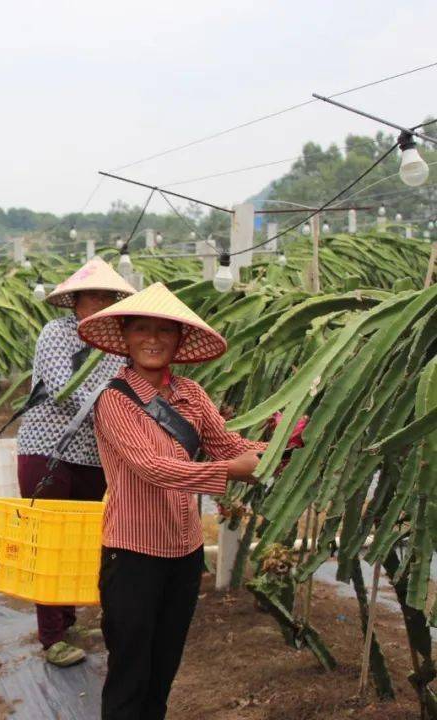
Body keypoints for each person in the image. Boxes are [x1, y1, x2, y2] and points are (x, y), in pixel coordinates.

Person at [77, 282, 265, 720]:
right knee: (129, 672)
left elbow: (227, 444)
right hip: (133, 553)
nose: (153, 339)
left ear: (180, 340)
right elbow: (153, 468)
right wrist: (230, 471)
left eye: (165, 330)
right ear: (124, 337)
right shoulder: (114, 401)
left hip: (184, 551)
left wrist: (281, 445)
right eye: (141, 328)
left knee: (163, 668)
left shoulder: (192, 395)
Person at [15, 257, 135, 667]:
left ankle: (66, 620)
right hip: (46, 449)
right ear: (76, 300)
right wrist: (121, 421)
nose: (100, 302)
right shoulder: (57, 333)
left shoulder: (120, 343)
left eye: (108, 296)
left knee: (79, 539)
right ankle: (51, 638)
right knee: (49, 538)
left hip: (92, 454)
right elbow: (65, 389)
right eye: (93, 295)